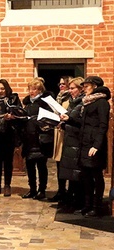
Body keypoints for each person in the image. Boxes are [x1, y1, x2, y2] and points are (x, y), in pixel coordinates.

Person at [60, 76, 110, 217]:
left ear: (95, 86)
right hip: (84, 143)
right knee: (86, 177)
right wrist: (69, 119)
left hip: (93, 145)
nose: (84, 88)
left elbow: (102, 126)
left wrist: (97, 145)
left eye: (87, 86)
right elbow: (83, 124)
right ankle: (87, 205)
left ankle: (96, 206)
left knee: (96, 176)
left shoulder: (101, 102)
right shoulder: (88, 102)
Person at [20, 78, 54, 200]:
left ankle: (42, 190)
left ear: (40, 90)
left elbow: (50, 119)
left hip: (40, 138)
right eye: (30, 89)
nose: (32, 91)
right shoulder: (27, 103)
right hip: (29, 138)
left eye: (34, 89)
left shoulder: (44, 102)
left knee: (41, 166)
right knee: (29, 165)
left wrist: (37, 120)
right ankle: (32, 189)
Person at [0, 79, 21, 197]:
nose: (0, 91)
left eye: (2, 89)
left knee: (8, 161)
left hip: (9, 133)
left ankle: (7, 185)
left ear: (6, 88)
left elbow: (20, 113)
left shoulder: (13, 98)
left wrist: (11, 116)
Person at [57, 77, 84, 212]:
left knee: (76, 174)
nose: (70, 90)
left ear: (80, 89)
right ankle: (71, 199)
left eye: (73, 88)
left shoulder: (82, 103)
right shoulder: (73, 102)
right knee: (71, 174)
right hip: (70, 141)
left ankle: (78, 202)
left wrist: (66, 123)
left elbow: (81, 125)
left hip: (76, 143)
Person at [50, 76, 72, 203]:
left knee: (67, 162)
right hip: (58, 131)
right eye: (60, 84)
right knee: (59, 163)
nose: (61, 86)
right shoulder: (59, 97)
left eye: (64, 84)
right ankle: (61, 190)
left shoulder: (70, 98)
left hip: (66, 132)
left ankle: (70, 192)